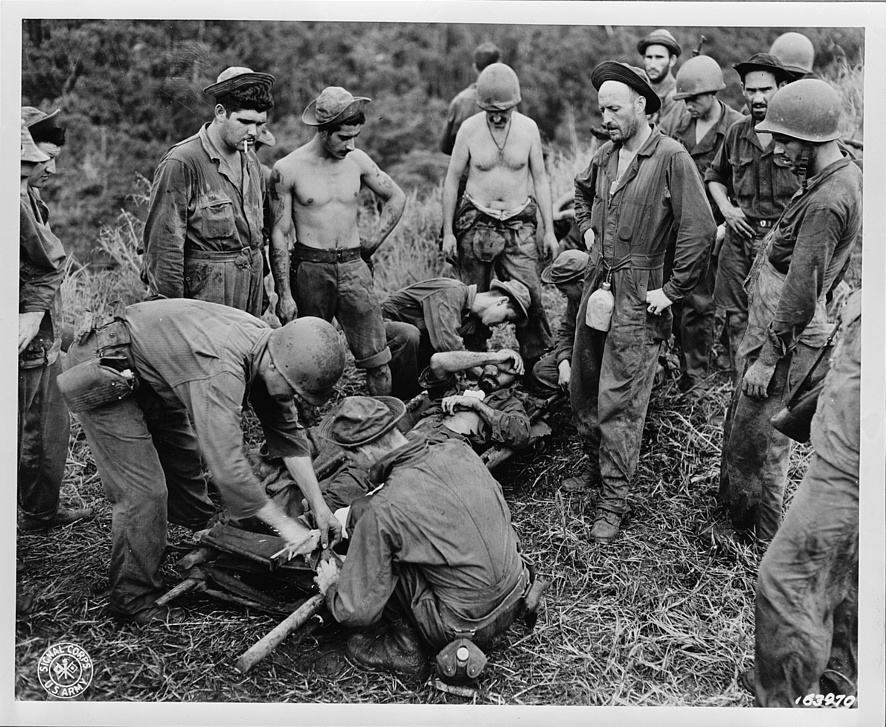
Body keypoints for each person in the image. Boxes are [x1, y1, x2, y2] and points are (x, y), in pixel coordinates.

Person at [63, 301, 346, 623]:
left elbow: (288, 436)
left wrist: (319, 506)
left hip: (155, 371)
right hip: (106, 367)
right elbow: (228, 465)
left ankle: (199, 536)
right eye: (294, 391)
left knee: (184, 462)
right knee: (144, 493)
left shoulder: (270, 348)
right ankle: (132, 596)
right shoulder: (222, 369)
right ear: (274, 367)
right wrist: (286, 527)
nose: (294, 399)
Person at [570, 62, 716, 542]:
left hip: (640, 291)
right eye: (601, 110)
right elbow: (580, 191)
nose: (606, 117)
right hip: (600, 283)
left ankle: (614, 500)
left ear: (641, 105)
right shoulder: (606, 155)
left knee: (621, 398)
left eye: (614, 108)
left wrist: (671, 291)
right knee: (587, 381)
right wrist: (589, 228)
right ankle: (596, 466)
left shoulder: (671, 157)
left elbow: (698, 230)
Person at [718, 79, 862, 543]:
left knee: (762, 442)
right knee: (750, 428)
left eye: (784, 139)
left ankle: (758, 543)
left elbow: (803, 290)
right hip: (779, 320)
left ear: (812, 139)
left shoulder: (826, 201)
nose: (776, 148)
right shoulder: (838, 175)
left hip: (786, 331)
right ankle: (744, 523)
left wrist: (767, 358)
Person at [315, 396, 535, 676]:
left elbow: (355, 611)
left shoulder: (384, 510)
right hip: (516, 594)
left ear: (366, 451)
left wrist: (332, 584)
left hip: (463, 627)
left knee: (382, 554)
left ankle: (403, 650)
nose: (353, 465)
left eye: (350, 458)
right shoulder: (458, 449)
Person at [745, 288, 860, 706]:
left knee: (785, 585)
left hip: (849, 467)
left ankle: (786, 701)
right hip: (852, 455)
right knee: (846, 576)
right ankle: (835, 682)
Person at [270, 86, 406, 396]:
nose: (350, 145)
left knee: (377, 359)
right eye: (343, 137)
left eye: (355, 136)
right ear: (323, 131)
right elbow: (278, 234)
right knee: (306, 360)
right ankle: (309, 434)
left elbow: (396, 195)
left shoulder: (358, 161)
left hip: (354, 268)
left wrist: (374, 241)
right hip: (310, 271)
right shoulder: (287, 169)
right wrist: (284, 294)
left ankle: (381, 423)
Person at [441, 62, 556, 368]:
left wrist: (550, 230)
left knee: (530, 293)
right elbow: (452, 178)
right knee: (472, 298)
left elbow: (541, 179)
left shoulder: (528, 129)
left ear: (515, 105)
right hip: (476, 220)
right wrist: (448, 232)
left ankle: (535, 367)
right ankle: (477, 363)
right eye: (490, 110)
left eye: (503, 111)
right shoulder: (469, 129)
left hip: (519, 221)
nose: (496, 116)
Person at [141, 66, 275, 317]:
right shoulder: (183, 162)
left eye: (260, 124)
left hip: (249, 300)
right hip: (204, 305)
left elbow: (257, 237)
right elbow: (164, 250)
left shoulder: (251, 161)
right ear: (221, 113)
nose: (253, 132)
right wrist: (172, 315)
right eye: (245, 121)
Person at [18, 113, 94, 533]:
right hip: (28, 339)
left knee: (47, 425)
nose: (50, 168)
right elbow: (47, 264)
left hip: (39, 334)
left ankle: (39, 508)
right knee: (34, 429)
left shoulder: (27, 194)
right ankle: (37, 513)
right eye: (44, 158)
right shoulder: (18, 194)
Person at [705, 54, 800, 375]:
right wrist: (727, 210)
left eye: (766, 89)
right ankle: (738, 382)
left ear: (782, 87)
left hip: (782, 240)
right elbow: (714, 177)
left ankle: (773, 379)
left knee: (776, 313)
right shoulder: (736, 132)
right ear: (743, 91)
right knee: (735, 315)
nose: (757, 98)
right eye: (750, 90)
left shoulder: (798, 134)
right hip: (739, 237)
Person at [658, 56, 744, 390]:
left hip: (716, 230)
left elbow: (745, 186)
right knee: (675, 299)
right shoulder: (676, 126)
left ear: (712, 93)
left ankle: (696, 378)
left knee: (701, 305)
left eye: (694, 98)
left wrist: (724, 226)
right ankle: (677, 364)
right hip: (676, 229)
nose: (688, 105)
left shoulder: (737, 128)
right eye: (684, 100)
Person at [381, 277, 531, 400]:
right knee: (409, 334)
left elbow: (465, 358)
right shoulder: (452, 292)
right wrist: (494, 360)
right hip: (380, 327)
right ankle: (396, 402)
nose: (502, 326)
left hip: (411, 351)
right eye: (507, 318)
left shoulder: (472, 320)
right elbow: (447, 346)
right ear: (501, 301)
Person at [531, 249, 588, 402]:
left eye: (564, 291)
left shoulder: (605, 300)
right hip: (584, 354)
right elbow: (566, 332)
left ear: (581, 284)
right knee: (541, 371)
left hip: (605, 360)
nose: (563, 296)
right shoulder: (576, 298)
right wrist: (564, 364)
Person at [440, 41, 502, 155]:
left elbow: (445, 146)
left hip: (466, 169)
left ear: (475, 67)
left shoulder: (460, 101)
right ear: (499, 66)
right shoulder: (508, 100)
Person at [636, 28, 685, 128]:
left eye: (659, 57)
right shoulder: (640, 91)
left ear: (672, 60)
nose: (652, 65)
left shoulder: (675, 97)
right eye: (649, 57)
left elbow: (664, 139)